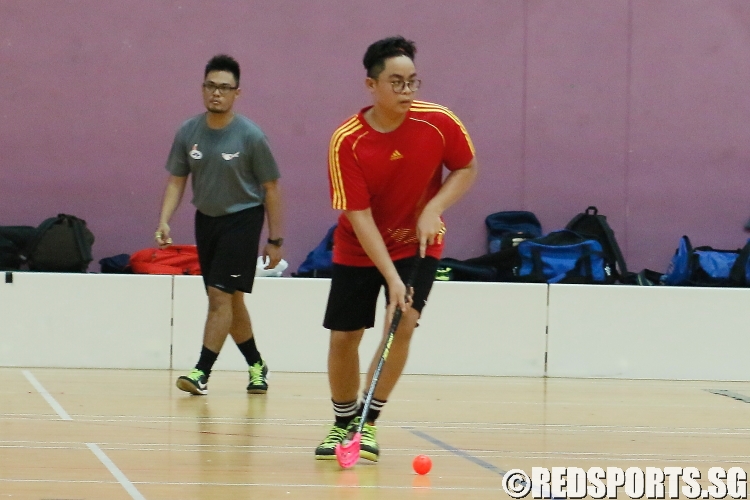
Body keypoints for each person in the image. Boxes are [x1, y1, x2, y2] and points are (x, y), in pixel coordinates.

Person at [315, 36, 477, 461]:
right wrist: (388, 276)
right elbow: (358, 214)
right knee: (344, 337)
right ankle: (342, 421)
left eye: (412, 82)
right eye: (396, 83)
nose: (407, 92)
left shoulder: (438, 122)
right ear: (371, 85)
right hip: (359, 246)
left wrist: (435, 208)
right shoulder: (347, 140)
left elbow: (465, 167)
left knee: (401, 323)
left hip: (418, 244)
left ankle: (365, 424)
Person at [155, 54, 284, 396]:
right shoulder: (188, 132)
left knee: (218, 298)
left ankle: (201, 372)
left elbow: (271, 188)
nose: (216, 93)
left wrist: (275, 239)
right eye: (211, 86)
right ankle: (257, 365)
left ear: (236, 93)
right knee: (230, 303)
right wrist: (165, 220)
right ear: (203, 88)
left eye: (224, 88)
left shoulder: (251, 136)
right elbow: (176, 180)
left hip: (243, 220)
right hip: (206, 221)